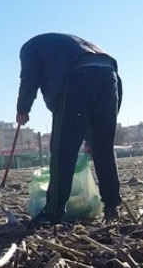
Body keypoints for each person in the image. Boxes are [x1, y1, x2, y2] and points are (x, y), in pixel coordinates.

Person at [16, 33, 122, 224]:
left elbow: (29, 79)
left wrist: (22, 110)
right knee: (103, 147)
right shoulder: (66, 45)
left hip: (78, 75)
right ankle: (112, 206)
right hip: (110, 73)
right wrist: (92, 140)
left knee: (62, 149)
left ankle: (54, 211)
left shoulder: (29, 48)